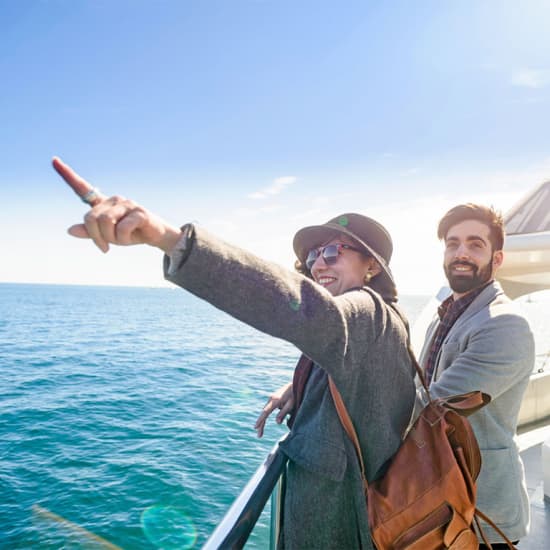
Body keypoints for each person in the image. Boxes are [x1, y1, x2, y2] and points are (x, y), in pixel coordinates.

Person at [53, 156, 416, 549]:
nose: (318, 265)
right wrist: (301, 384)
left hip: (344, 531)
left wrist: (170, 240)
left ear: (372, 269)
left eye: (334, 252)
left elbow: (306, 310)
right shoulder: (376, 326)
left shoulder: (369, 312)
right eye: (313, 256)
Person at [417, 203, 535, 548]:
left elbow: (432, 404)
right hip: (442, 504)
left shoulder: (504, 324)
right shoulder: (443, 317)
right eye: (453, 244)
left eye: (475, 244)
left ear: (497, 259)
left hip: (484, 515)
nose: (461, 253)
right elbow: (413, 382)